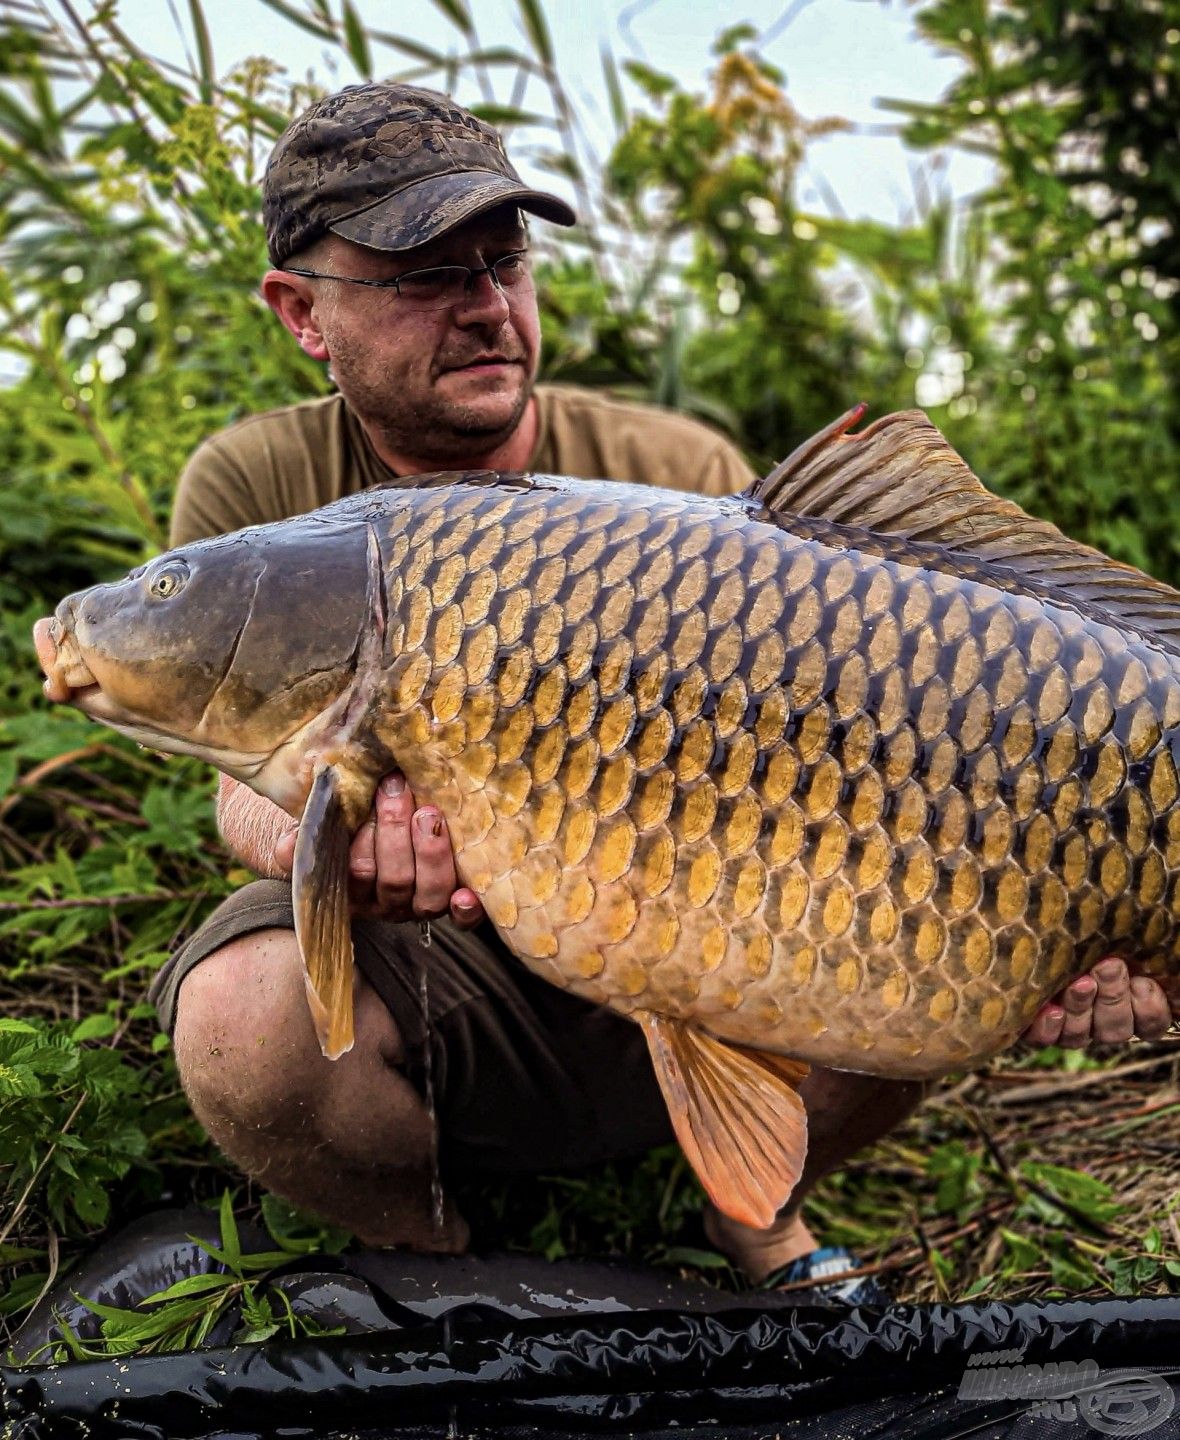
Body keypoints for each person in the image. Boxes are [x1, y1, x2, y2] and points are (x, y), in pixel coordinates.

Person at [149, 82, 1174, 1303]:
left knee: (910, 915)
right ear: (302, 313)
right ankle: (435, 1263)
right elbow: (242, 781)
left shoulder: (676, 478)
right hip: (452, 955)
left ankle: (758, 1218)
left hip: (710, 911)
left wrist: (1060, 929)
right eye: (424, 275)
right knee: (235, 1017)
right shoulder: (262, 489)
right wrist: (320, 832)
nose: (486, 308)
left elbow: (842, 767)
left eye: (504, 260)